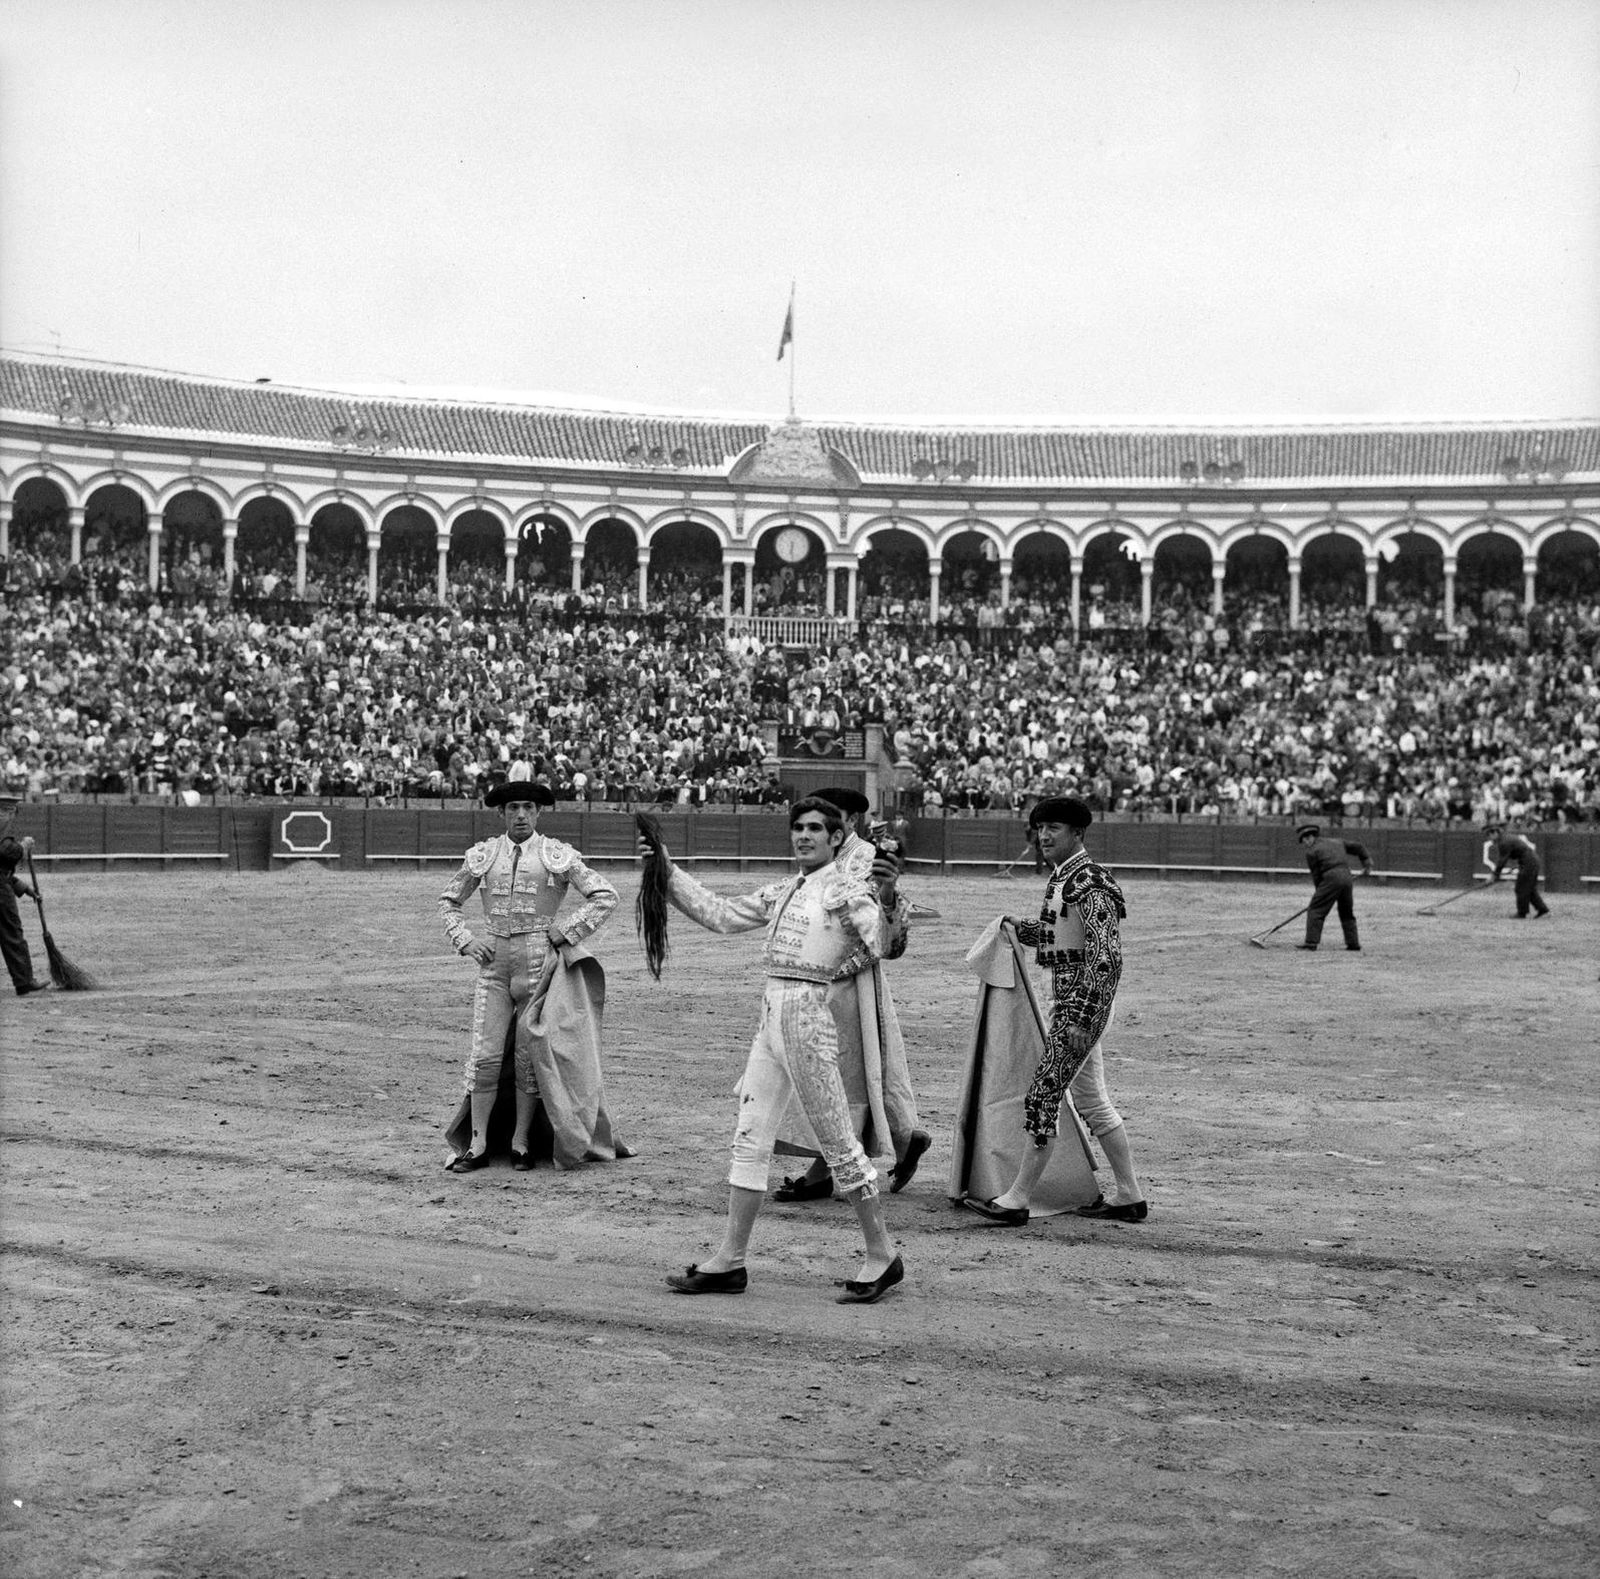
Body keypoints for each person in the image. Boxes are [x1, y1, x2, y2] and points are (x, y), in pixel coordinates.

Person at [641, 797, 905, 1304]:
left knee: (838, 1142)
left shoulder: (850, 890)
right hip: (770, 1016)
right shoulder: (786, 889)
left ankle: (882, 1254)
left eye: (814, 830)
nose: (803, 836)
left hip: (808, 1018)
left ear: (835, 838)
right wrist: (666, 867)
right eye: (797, 828)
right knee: (750, 1135)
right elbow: (719, 914)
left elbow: (885, 947)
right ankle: (730, 1261)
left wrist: (888, 899)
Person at [963, 795, 1145, 1226]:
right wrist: (1016, 927)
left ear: (1078, 834)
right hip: (1068, 1001)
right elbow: (1057, 937)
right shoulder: (1067, 878)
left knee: (1044, 1092)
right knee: (1091, 1100)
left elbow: (1105, 956)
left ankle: (1018, 1199)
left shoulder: (1090, 882)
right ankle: (1130, 1195)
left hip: (1079, 1005)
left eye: (1054, 829)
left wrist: (1082, 1016)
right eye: (1040, 828)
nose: (1044, 836)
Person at [438, 766, 620, 1172]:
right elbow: (449, 900)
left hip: (539, 961)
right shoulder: (483, 855)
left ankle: (521, 1141)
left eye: (528, 808)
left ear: (538, 814)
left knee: (527, 1055)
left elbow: (606, 896)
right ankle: (479, 1142)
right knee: (484, 1054)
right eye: (513, 807)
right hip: (494, 963)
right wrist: (466, 939)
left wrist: (567, 931)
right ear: (502, 813)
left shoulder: (557, 855)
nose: (520, 814)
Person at [769, 785, 931, 1203]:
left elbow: (875, 933)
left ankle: (825, 1170)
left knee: (839, 1074)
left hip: (848, 982)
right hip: (825, 979)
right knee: (850, 1072)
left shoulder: (864, 859)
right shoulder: (830, 858)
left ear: (853, 820)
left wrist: (826, 970)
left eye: (833, 814)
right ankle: (903, 1138)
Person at [1294, 821, 1373, 952]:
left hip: (1330, 878)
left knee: (1315, 910)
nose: (1305, 844)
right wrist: (1367, 864)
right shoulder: (1337, 841)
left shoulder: (1312, 852)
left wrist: (1319, 895)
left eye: (1304, 841)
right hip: (1347, 878)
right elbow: (1359, 847)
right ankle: (1353, 943)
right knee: (1346, 911)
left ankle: (1311, 942)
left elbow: (1317, 875)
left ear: (1309, 837)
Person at [0, 794, 50, 996]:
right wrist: (23, 847)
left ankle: (24, 980)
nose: (12, 813)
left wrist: (25, 889)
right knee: (12, 932)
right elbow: (4, 851)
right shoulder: (2, 822)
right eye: (11, 809)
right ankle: (24, 981)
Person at [1483, 821, 1550, 918]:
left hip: (1529, 863)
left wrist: (1494, 875)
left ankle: (1522, 913)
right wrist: (1495, 875)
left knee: (1521, 888)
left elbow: (1502, 861)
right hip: (1531, 861)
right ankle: (1542, 909)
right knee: (1529, 888)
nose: (1489, 839)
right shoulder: (1505, 838)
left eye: (1488, 836)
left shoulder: (1504, 842)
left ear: (1494, 833)